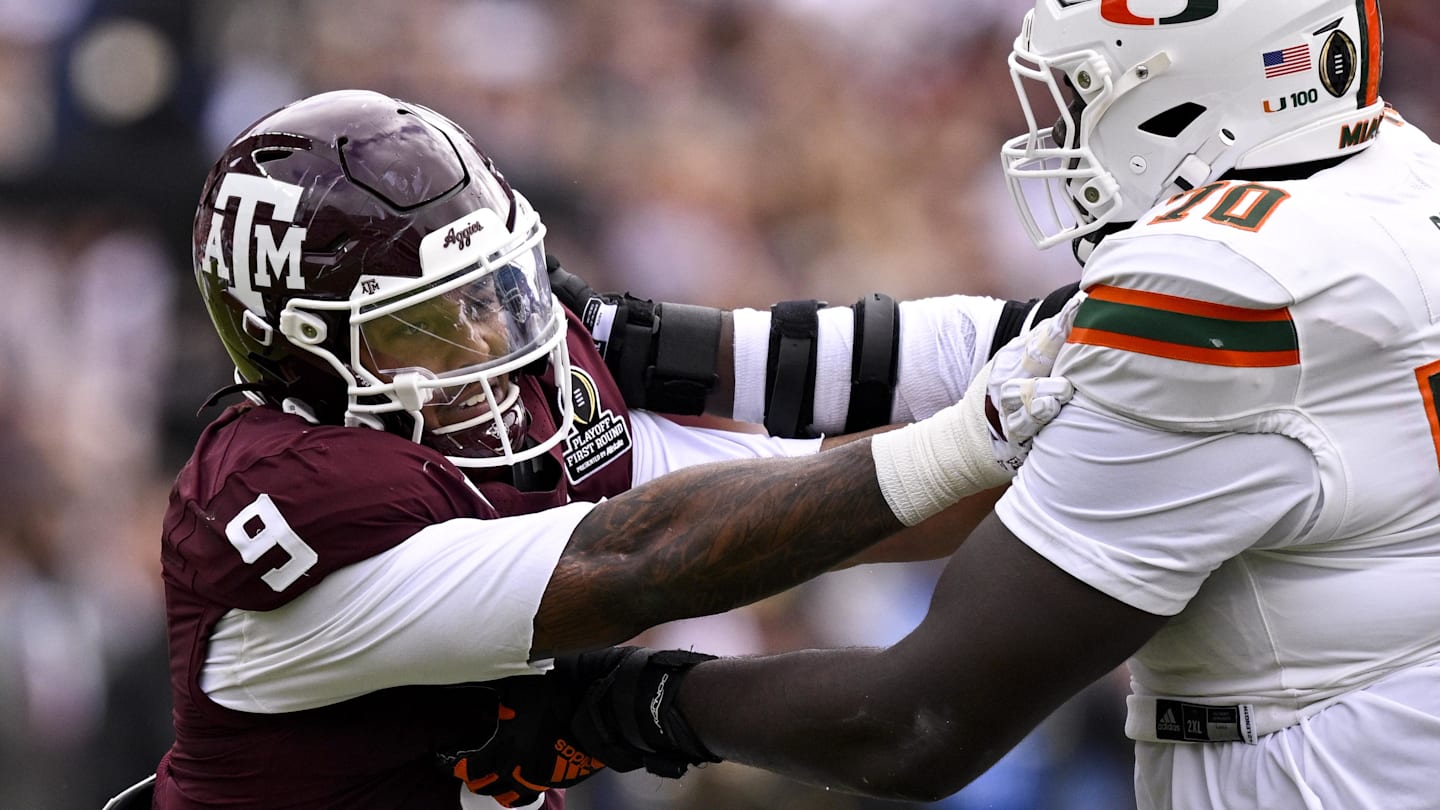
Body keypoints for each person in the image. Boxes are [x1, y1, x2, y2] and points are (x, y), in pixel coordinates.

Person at [487, 1, 1440, 808]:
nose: (1063, 133)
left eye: (1086, 95)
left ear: (1193, 89)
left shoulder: (1225, 291)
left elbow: (917, 722)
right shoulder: (1377, 180)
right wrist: (649, 343)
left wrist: (617, 706)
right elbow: (1027, 342)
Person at [119, 88, 1080, 810]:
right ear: (304, 352)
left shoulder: (537, 410)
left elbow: (829, 503)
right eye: (424, 327)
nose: (487, 345)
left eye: (489, 295)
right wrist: (977, 437)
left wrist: (1087, 382)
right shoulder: (295, 498)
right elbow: (641, 559)